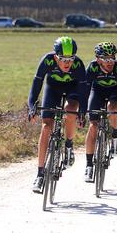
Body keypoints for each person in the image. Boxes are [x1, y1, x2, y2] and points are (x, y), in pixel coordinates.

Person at [28, 37, 86, 193]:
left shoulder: (79, 65)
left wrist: (82, 112)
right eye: (63, 59)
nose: (67, 63)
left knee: (71, 109)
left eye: (71, 59)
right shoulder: (47, 61)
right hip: (52, 89)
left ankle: (68, 145)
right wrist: (32, 106)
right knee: (46, 126)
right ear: (55, 57)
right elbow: (37, 83)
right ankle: (40, 174)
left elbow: (83, 92)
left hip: (73, 90)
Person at [82, 42, 117, 183]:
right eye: (106, 59)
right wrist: (82, 111)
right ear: (98, 59)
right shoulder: (92, 67)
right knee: (93, 126)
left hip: (115, 93)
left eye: (112, 58)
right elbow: (85, 90)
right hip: (97, 92)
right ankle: (89, 165)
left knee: (113, 107)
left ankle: (115, 134)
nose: (110, 62)